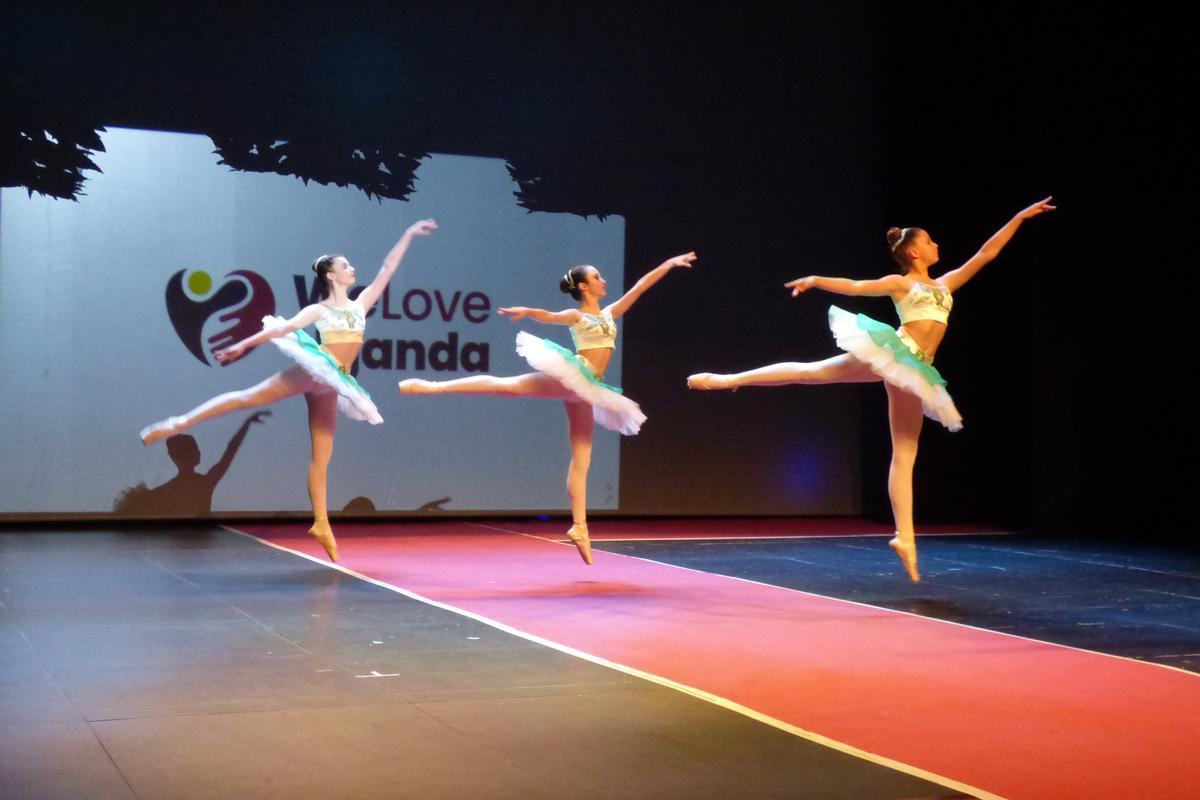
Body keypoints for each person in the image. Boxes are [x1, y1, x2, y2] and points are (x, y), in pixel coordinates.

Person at [688, 199, 1055, 581]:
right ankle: (729, 379)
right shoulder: (902, 283)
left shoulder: (946, 283)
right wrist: (816, 279)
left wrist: (1019, 217)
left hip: (918, 370)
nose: (936, 245)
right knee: (814, 373)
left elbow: (986, 254)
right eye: (929, 241)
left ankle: (905, 538)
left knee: (905, 453)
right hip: (896, 353)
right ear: (914, 252)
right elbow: (858, 287)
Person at [140, 219, 439, 560]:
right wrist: (243, 345)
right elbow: (282, 330)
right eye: (345, 266)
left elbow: (387, 269)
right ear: (331, 276)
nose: (352, 268)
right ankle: (178, 423)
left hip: (334, 383)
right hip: (315, 370)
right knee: (248, 398)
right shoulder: (319, 309)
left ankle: (321, 523)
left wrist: (408, 234)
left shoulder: (360, 305)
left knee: (322, 456)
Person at [400, 252, 698, 563]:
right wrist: (528, 311)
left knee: (582, 457)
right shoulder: (577, 316)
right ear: (583, 287)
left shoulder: (610, 313)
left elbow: (640, 287)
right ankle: (433, 386)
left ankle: (580, 527)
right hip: (575, 376)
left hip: (589, 388)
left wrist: (667, 265)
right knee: (508, 387)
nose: (603, 280)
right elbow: (549, 316)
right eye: (597, 277)